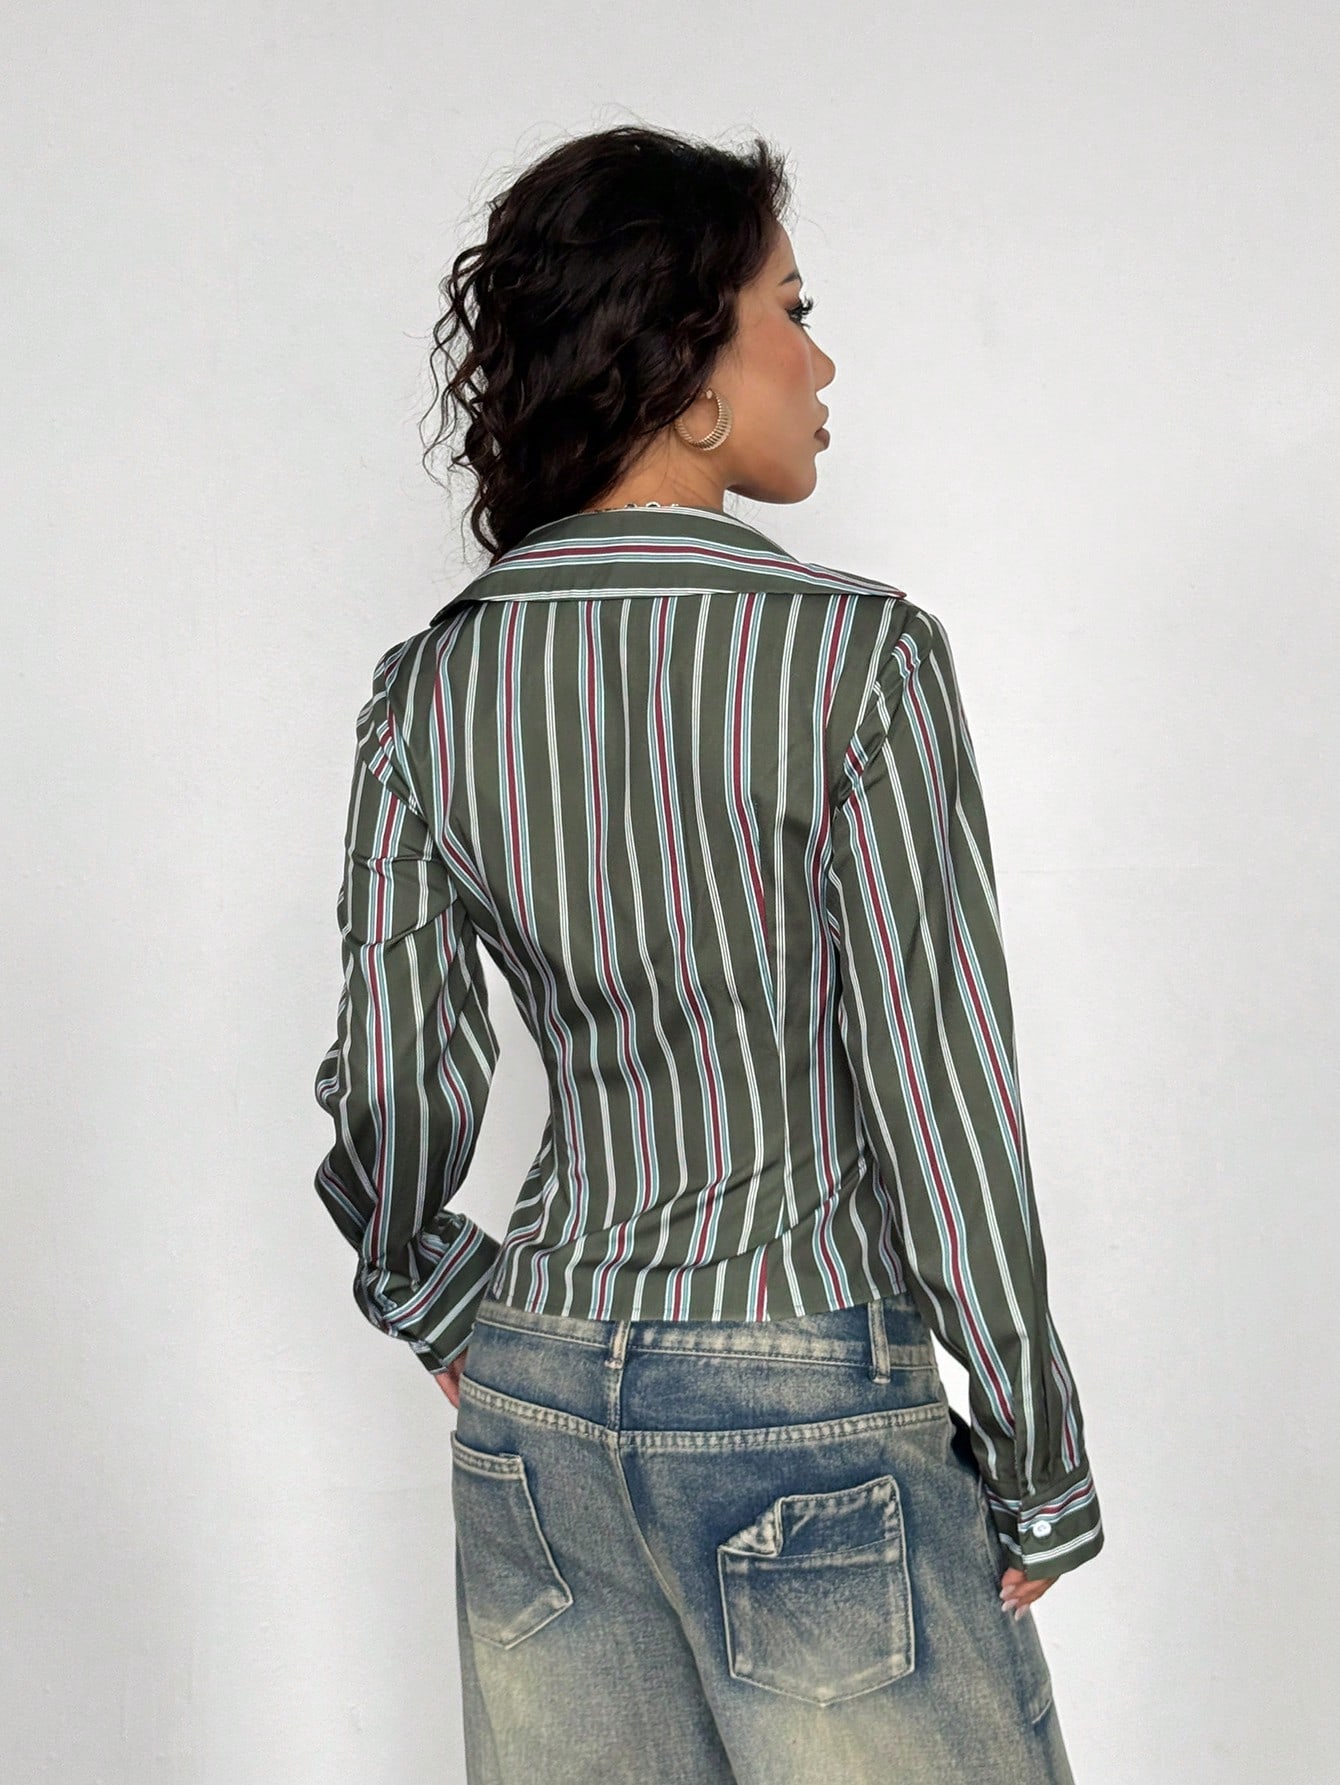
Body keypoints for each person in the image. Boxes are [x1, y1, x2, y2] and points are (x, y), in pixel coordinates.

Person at [312, 123, 1104, 1784]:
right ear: (686, 363)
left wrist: (429, 1286)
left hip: (536, 1406)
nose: (822, 360)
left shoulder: (428, 689)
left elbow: (390, 1076)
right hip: (802, 1395)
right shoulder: (862, 661)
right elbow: (938, 1090)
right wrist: (1036, 1444)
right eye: (791, 311)